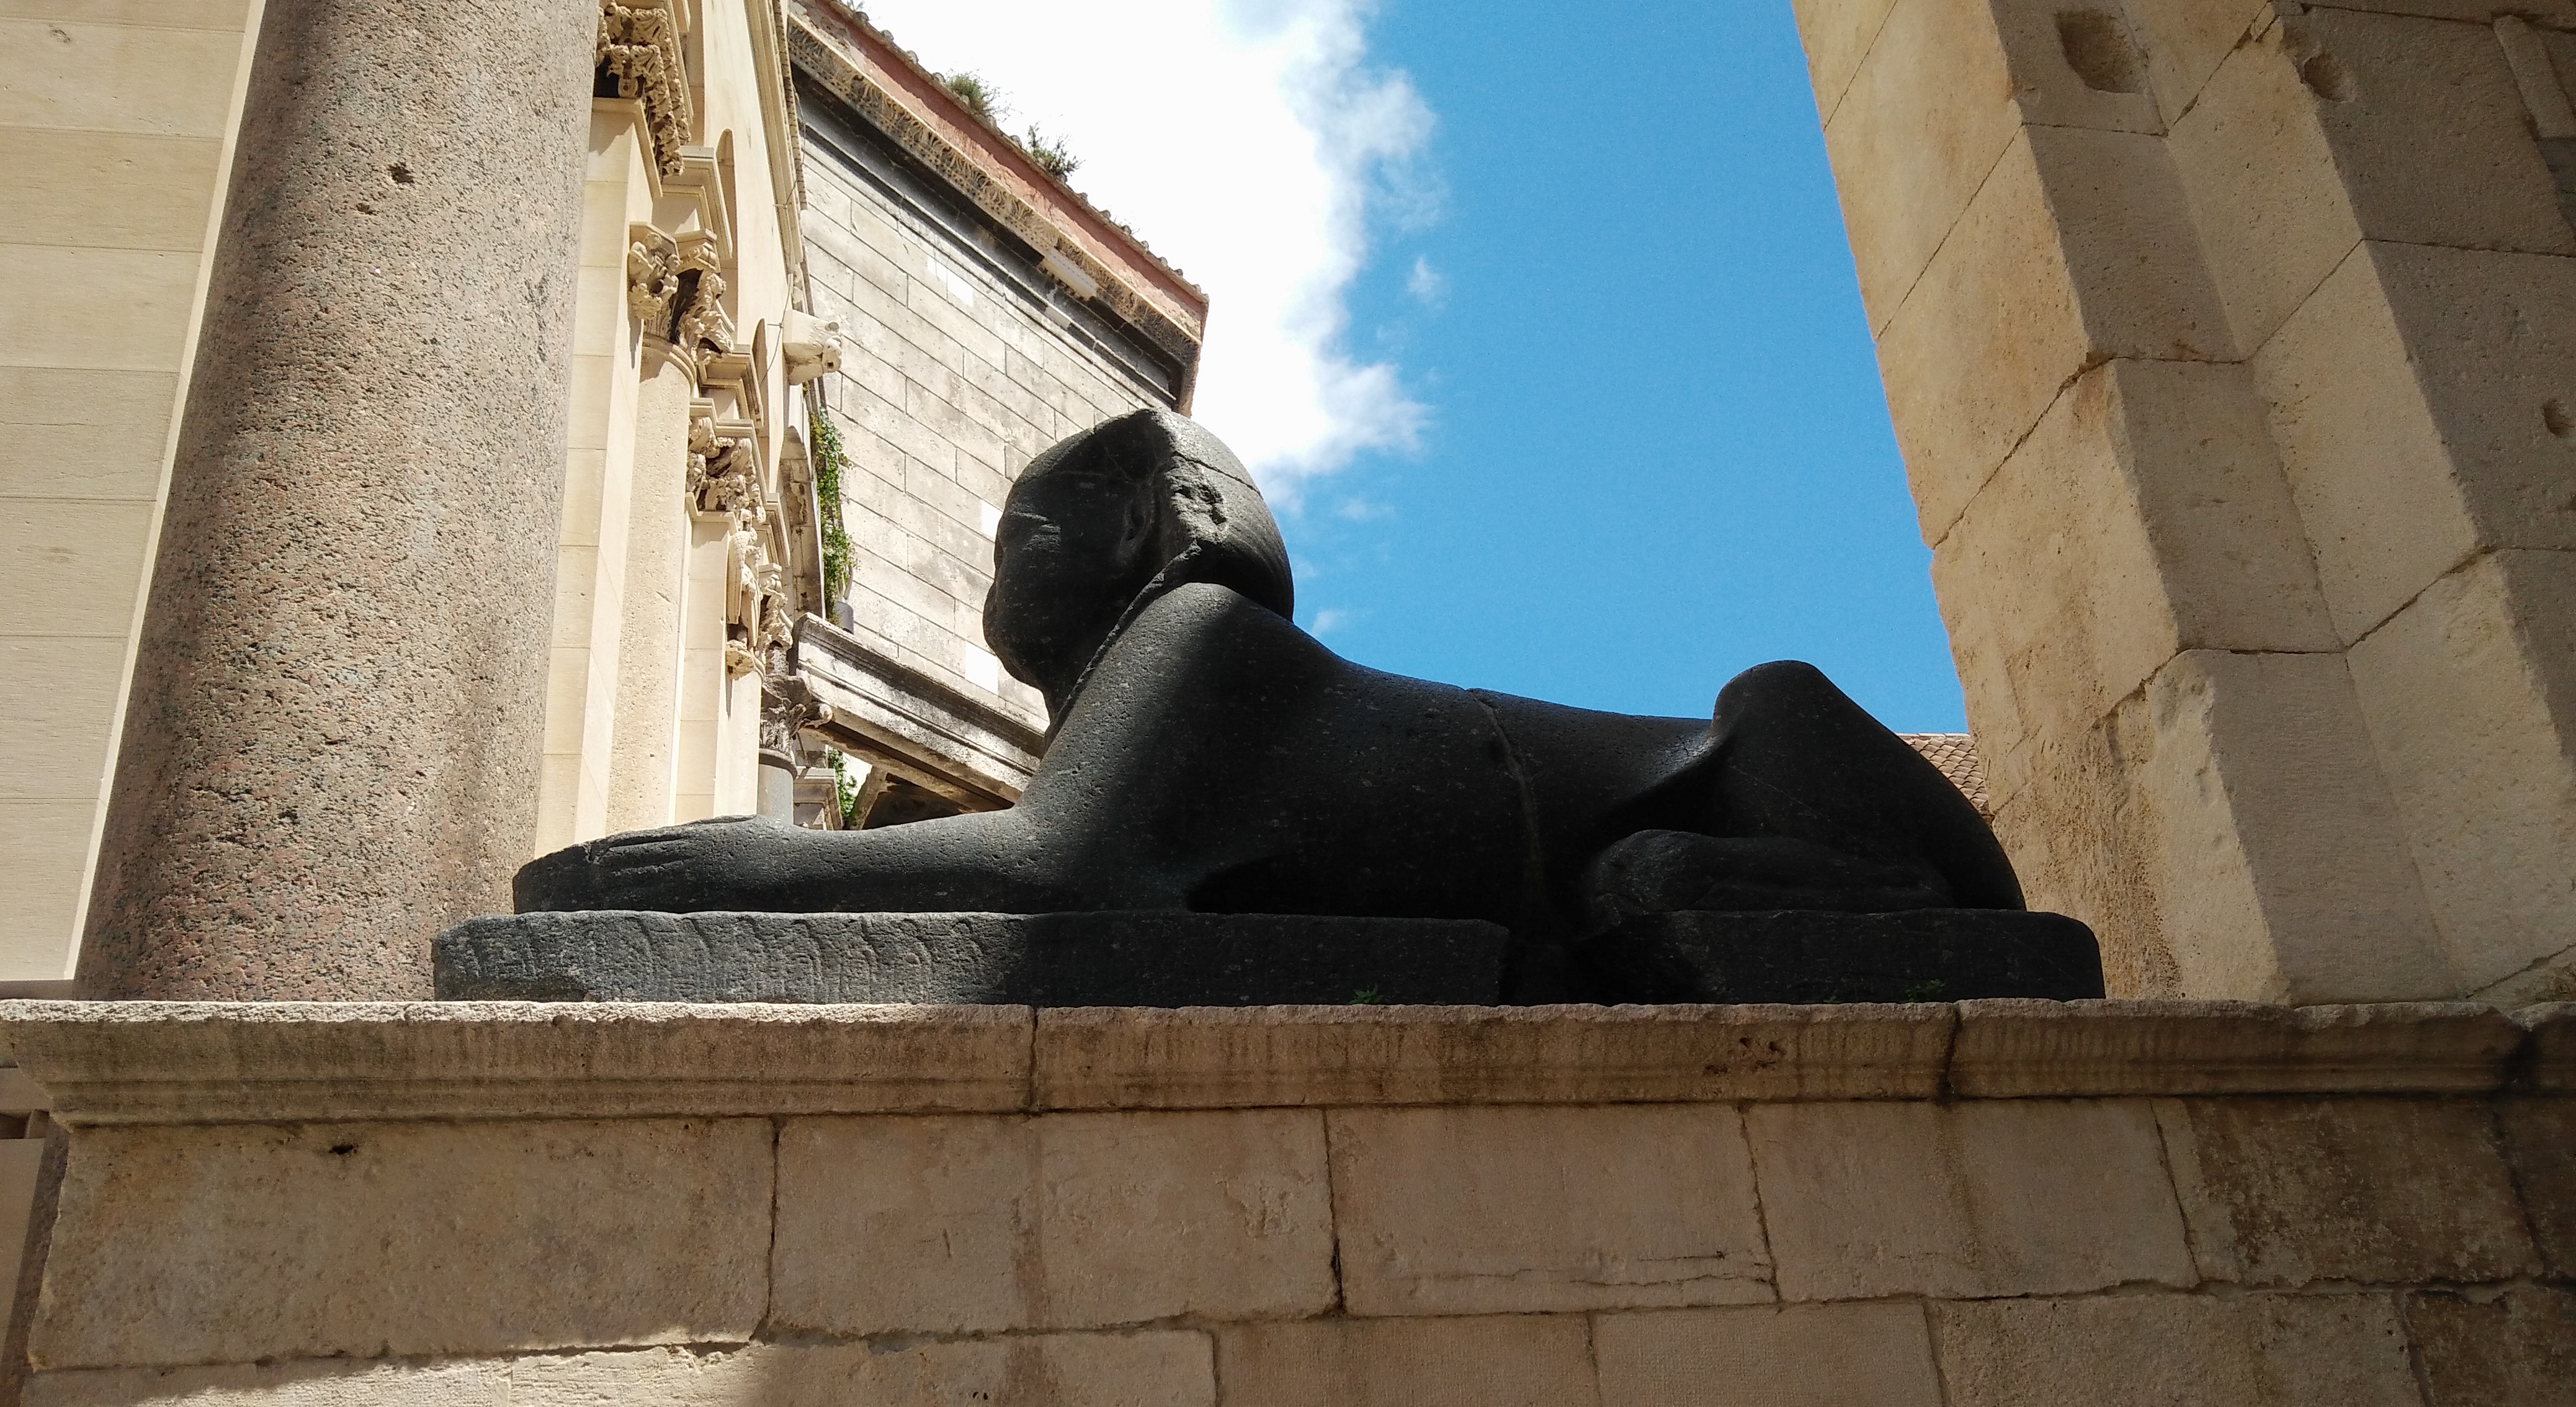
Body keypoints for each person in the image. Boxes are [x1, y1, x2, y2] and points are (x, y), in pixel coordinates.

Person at [517, 408, 2021, 996]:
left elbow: (1056, 872)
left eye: (1027, 533)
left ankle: (1838, 882)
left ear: (1137, 530)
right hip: (1582, 854)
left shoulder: (1204, 636)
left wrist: (757, 864)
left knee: (1768, 691)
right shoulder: (1148, 685)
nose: (1001, 568)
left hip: (1730, 779)